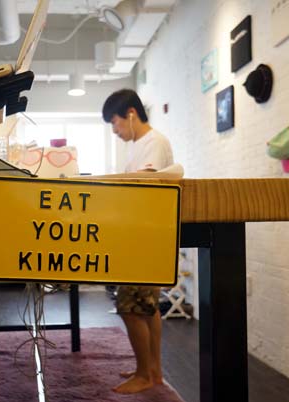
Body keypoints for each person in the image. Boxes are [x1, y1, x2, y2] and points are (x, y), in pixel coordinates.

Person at [101, 89, 174, 394]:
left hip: (146, 235)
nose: (115, 130)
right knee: (148, 307)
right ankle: (152, 371)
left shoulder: (153, 143)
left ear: (131, 113)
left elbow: (144, 187)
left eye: (115, 123)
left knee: (130, 307)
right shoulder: (139, 145)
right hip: (146, 233)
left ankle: (145, 374)